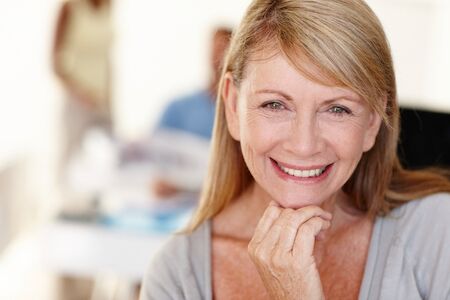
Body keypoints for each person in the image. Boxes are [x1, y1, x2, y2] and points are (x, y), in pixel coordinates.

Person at [140, 0, 450, 299]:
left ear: (372, 122)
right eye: (274, 105)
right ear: (233, 107)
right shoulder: (176, 278)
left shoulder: (436, 234)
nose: (304, 146)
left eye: (338, 109)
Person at [151, 27, 232, 198]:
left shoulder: (242, 112)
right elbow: (152, 160)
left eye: (224, 50)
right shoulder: (177, 107)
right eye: (214, 51)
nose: (218, 58)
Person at [53, 0, 113, 175]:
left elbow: (107, 57)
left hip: (103, 99)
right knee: (70, 158)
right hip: (77, 99)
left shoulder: (109, 5)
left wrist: (108, 96)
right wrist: (81, 94)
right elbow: (55, 64)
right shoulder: (69, 7)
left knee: (108, 157)